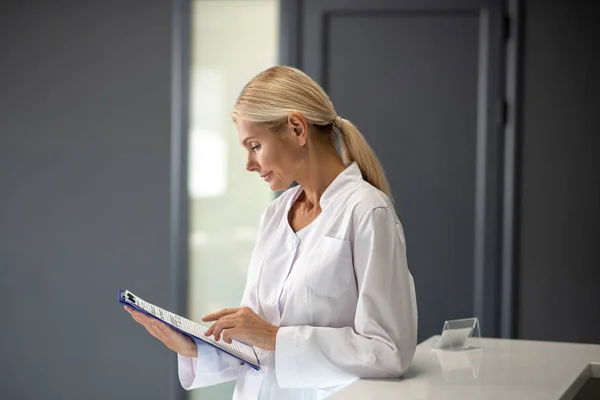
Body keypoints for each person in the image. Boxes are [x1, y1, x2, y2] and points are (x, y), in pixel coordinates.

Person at [124, 66, 418, 400]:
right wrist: (195, 347)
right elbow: (258, 346)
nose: (248, 164)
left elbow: (388, 351)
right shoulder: (275, 215)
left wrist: (275, 337)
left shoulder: (367, 212)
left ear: (296, 128)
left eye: (255, 146)